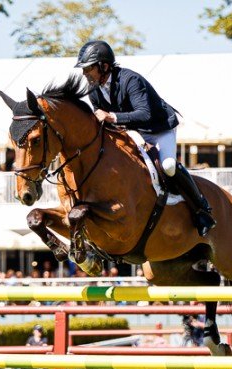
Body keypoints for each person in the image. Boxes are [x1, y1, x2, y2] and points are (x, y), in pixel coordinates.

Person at [75, 40, 216, 236]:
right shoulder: (93, 89)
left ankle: (202, 209)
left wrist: (112, 116)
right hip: (132, 131)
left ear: (104, 66)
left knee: (167, 165)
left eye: (88, 68)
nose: (85, 73)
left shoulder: (130, 80)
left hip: (158, 128)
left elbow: (145, 114)